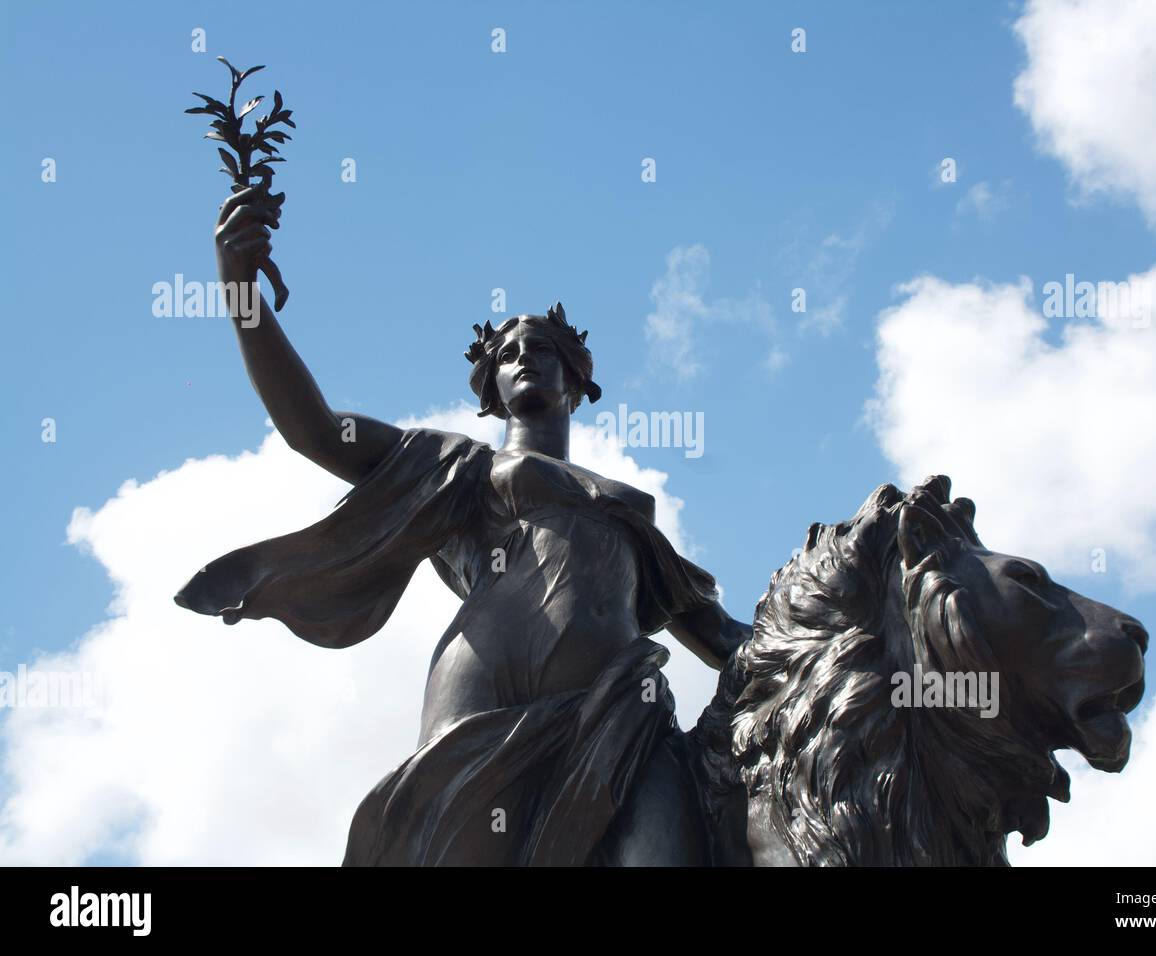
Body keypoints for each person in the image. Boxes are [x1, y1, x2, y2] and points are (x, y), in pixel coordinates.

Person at [175, 187, 751, 865]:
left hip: (624, 707)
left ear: (576, 381)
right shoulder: (453, 468)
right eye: (508, 352)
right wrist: (239, 288)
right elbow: (315, 430)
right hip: (488, 696)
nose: (524, 356)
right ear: (490, 388)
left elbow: (724, 637)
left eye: (542, 348)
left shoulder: (631, 507)